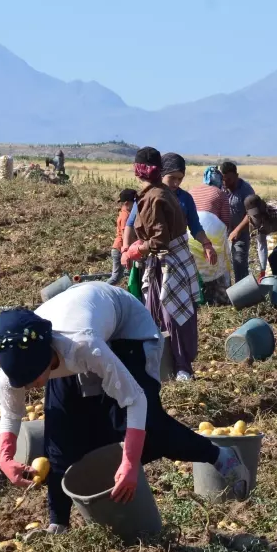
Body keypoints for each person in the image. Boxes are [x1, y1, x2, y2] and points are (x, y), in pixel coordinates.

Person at [0, 282, 251, 535]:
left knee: (146, 426)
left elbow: (135, 400)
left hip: (126, 331)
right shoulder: (14, 367)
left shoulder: (84, 345)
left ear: (47, 354)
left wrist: (129, 461)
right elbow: (11, 413)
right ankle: (58, 523)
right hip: (79, 326)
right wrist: (5, 458)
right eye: (23, 380)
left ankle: (219, 456)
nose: (31, 385)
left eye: (34, 376)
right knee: (61, 435)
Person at [121, 148, 201, 381]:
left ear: (138, 171)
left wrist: (137, 248)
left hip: (169, 261)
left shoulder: (154, 197)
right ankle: (160, 366)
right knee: (153, 313)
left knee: (172, 315)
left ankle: (182, 366)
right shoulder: (157, 193)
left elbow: (159, 240)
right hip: (167, 261)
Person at [126, 154, 225, 305]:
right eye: (172, 178)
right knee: (153, 301)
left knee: (178, 303)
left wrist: (207, 244)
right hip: (150, 254)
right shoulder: (149, 196)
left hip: (177, 256)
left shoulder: (185, 198)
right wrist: (126, 250)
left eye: (180, 178)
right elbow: (130, 224)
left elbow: (195, 226)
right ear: (161, 174)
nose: (176, 183)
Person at [189, 166, 235, 305]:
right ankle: (220, 297)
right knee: (220, 263)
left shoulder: (192, 191)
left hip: (191, 231)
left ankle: (196, 296)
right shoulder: (221, 193)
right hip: (212, 228)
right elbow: (225, 221)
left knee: (196, 263)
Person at [222, 162, 264, 283]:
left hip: (240, 233)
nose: (225, 183)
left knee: (239, 262)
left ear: (236, 175)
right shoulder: (220, 187)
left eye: (229, 179)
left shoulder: (246, 190)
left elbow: (250, 213)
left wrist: (237, 230)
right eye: (223, 179)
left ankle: (243, 294)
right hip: (223, 232)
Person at [108, 189, 136, 286]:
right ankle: (103, 289)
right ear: (128, 203)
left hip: (119, 248)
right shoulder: (126, 216)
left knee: (119, 275)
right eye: (135, 204)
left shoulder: (124, 213)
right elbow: (125, 234)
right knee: (116, 277)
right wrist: (128, 249)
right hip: (120, 249)